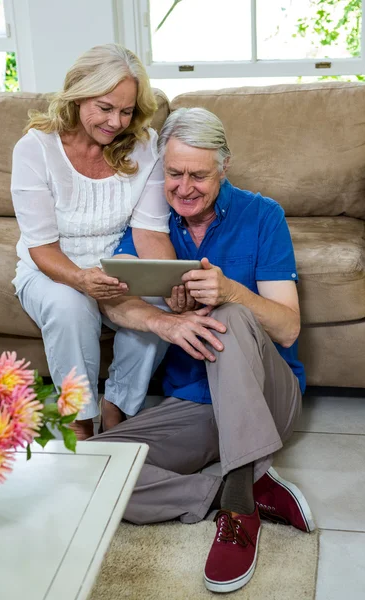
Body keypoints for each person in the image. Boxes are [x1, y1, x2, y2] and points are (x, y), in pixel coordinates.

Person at [91, 107, 315, 594]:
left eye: (198, 175)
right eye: (173, 174)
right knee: (86, 474)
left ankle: (238, 513)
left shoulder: (263, 216)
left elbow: (287, 328)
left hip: (268, 398)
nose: (184, 187)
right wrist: (164, 321)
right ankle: (239, 490)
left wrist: (231, 292)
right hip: (194, 406)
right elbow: (116, 308)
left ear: (225, 166)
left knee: (230, 318)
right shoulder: (150, 226)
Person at [11, 43, 178, 440]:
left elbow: (150, 233)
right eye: (105, 108)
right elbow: (41, 247)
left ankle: (117, 406)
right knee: (71, 307)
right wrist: (82, 281)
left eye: (126, 110)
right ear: (78, 93)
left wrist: (170, 286)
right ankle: (80, 421)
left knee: (159, 305)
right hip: (51, 270)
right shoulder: (35, 149)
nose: (117, 122)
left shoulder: (145, 145)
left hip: (117, 267)